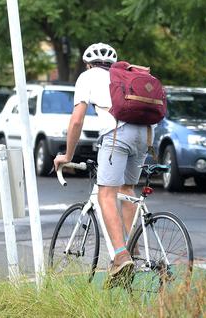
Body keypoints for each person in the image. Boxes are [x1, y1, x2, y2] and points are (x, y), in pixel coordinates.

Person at [53, 42, 150, 285]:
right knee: (127, 190)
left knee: (107, 195)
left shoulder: (87, 77)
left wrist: (67, 156)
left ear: (88, 64)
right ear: (112, 63)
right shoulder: (126, 75)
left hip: (117, 133)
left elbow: (76, 121)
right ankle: (131, 246)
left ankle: (120, 256)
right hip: (145, 134)